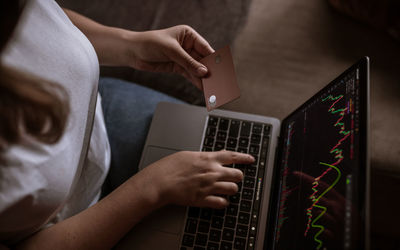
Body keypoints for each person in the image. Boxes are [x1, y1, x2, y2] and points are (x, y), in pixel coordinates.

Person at [0, 0, 255, 248]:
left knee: (246, 155)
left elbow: (50, 21)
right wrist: (152, 186)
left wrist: (132, 45)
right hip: (72, 227)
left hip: (98, 115)